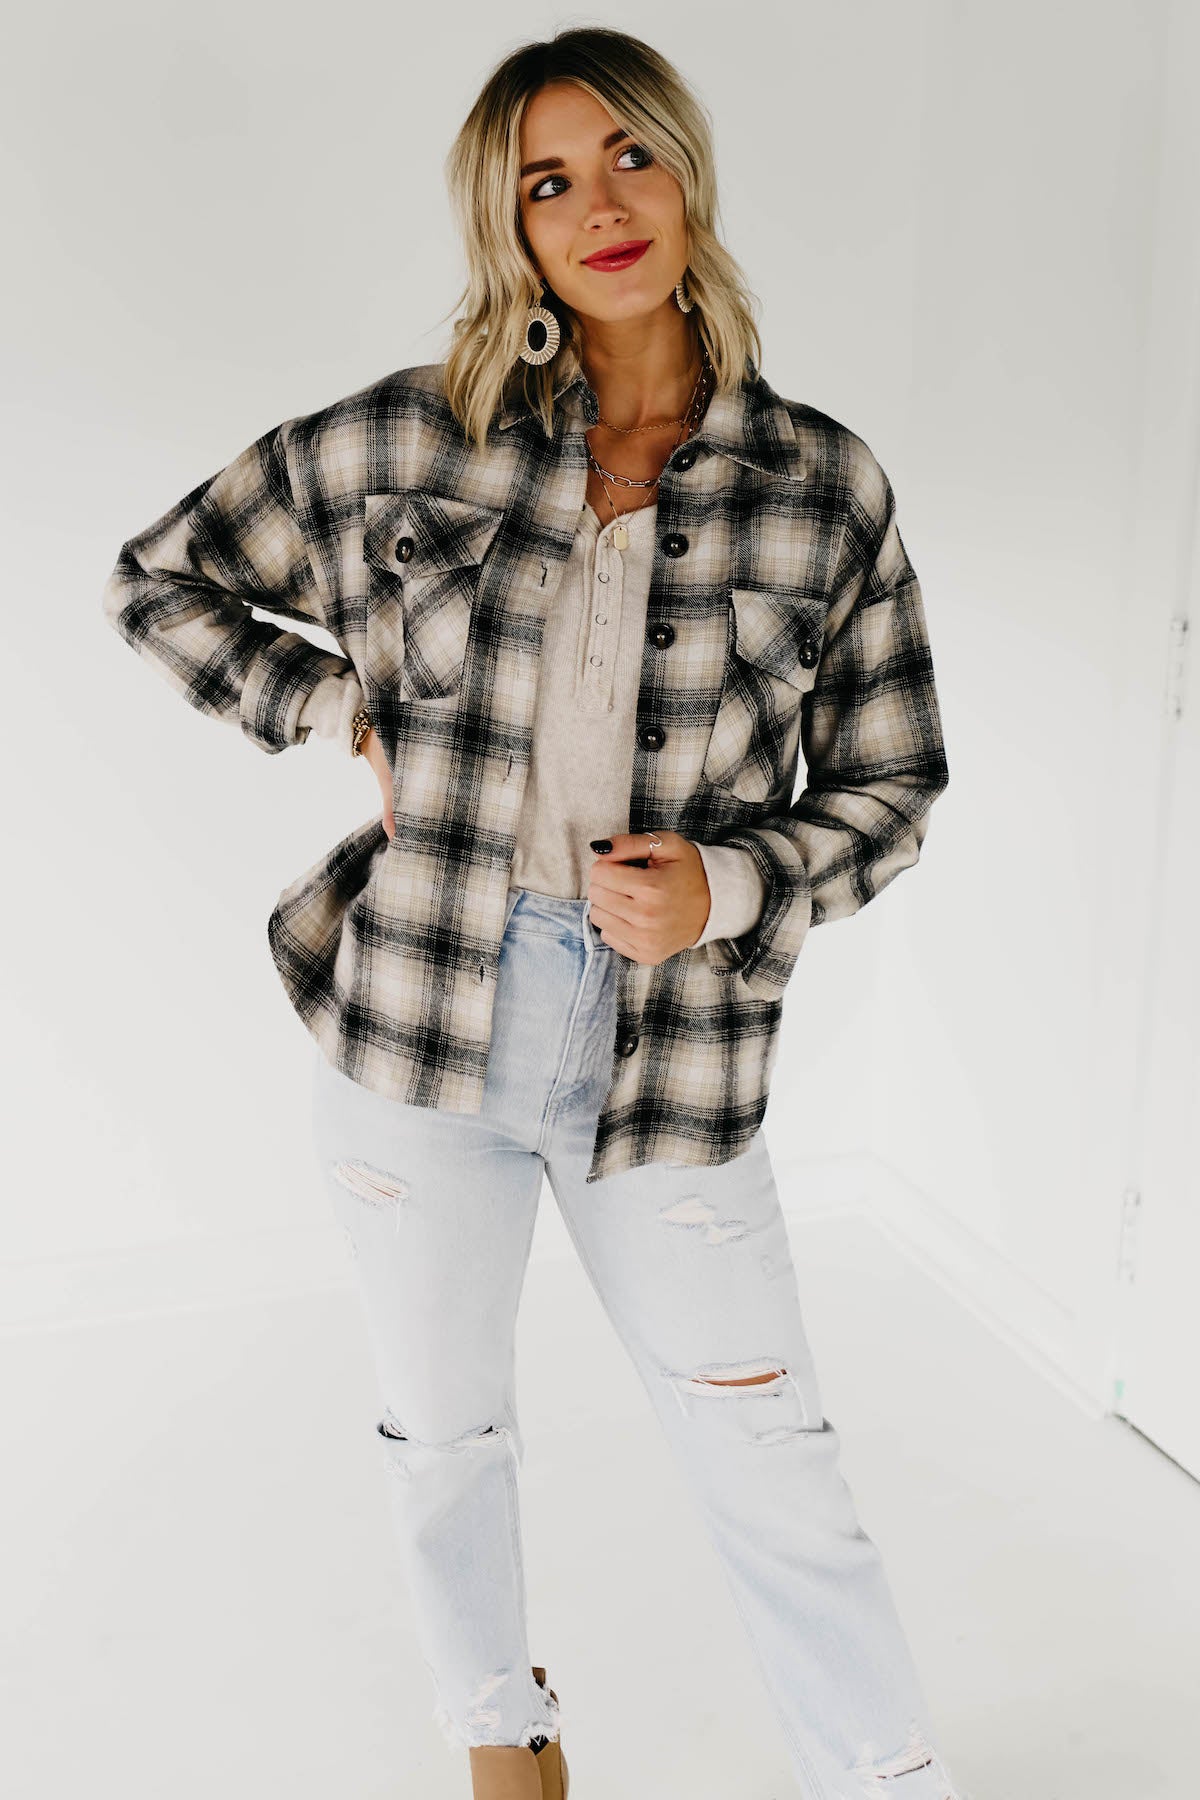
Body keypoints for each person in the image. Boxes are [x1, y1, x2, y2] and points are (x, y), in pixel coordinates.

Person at [101, 25, 962, 1800]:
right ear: (509, 227)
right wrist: (331, 709)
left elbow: (894, 788)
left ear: (688, 167)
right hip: (415, 1025)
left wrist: (729, 882)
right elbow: (161, 578)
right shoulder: (411, 438)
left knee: (768, 1454)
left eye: (628, 155)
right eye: (546, 183)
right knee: (441, 1436)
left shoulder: (824, 485)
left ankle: (882, 1776)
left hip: (677, 1059)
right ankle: (506, 1746)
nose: (599, 206)